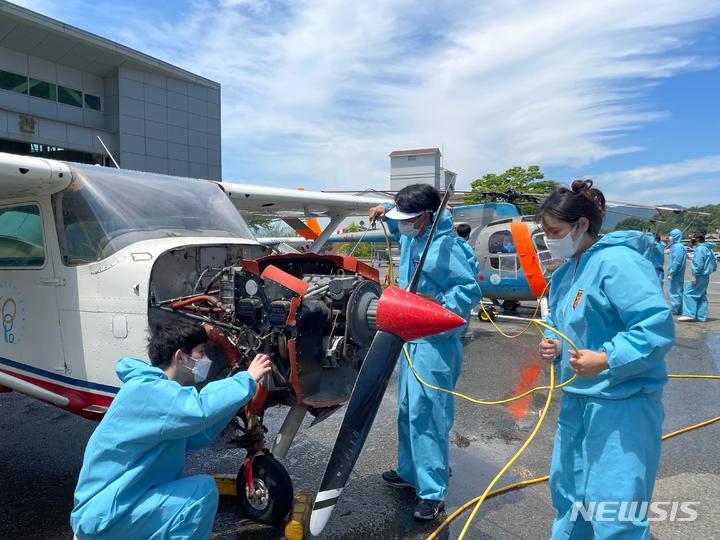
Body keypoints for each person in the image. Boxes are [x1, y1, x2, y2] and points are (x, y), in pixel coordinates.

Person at [537, 179, 674, 539]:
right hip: (579, 400)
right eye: (546, 232)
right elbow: (558, 320)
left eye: (555, 231)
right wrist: (552, 343)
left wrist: (608, 357)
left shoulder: (619, 263)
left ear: (582, 225)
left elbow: (654, 327)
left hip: (621, 403)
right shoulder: (567, 271)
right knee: (570, 492)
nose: (550, 239)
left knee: (615, 506)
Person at [71, 319, 272, 540]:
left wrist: (235, 401)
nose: (206, 359)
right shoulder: (149, 392)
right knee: (199, 494)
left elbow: (198, 435)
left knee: (192, 495)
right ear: (180, 357)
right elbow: (200, 408)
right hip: (106, 517)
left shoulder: (161, 395)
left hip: (119, 509)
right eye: (201, 352)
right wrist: (246, 379)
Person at [369, 184, 481, 521]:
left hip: (435, 342)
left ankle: (432, 491)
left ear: (427, 216)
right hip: (410, 338)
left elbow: (468, 290)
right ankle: (409, 471)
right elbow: (396, 222)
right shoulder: (413, 235)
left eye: (408, 218)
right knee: (406, 409)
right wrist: (384, 211)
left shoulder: (447, 247)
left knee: (428, 415)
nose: (402, 223)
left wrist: (440, 305)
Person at [678, 232, 717, 322]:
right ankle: (701, 316)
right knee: (701, 295)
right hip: (705, 275)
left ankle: (689, 314)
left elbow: (698, 263)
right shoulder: (708, 248)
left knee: (688, 293)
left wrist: (695, 275)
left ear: (697, 239)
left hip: (700, 275)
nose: (692, 240)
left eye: (693, 238)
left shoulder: (700, 249)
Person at [666, 228, 687, 314]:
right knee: (677, 290)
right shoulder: (677, 246)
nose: (670, 237)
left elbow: (677, 261)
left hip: (675, 273)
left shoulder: (678, 247)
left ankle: (675, 309)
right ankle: (679, 309)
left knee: (675, 291)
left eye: (671, 235)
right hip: (677, 273)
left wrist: (672, 272)